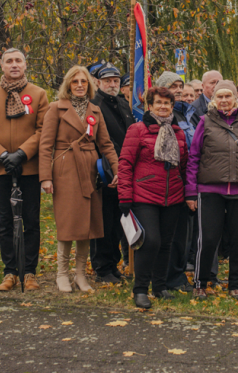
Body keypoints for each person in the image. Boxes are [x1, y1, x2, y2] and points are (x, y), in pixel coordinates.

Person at [186, 81, 238, 300]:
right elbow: (194, 157)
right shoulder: (205, 121)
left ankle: (235, 284)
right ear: (214, 99)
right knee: (208, 239)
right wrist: (191, 191)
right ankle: (200, 283)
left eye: (228, 96)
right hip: (210, 190)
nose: (224, 100)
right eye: (220, 96)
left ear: (235, 98)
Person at [39, 65, 119, 292]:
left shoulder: (95, 110)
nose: (80, 85)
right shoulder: (56, 108)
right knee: (68, 223)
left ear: (89, 85)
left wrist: (117, 169)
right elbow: (45, 145)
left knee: (88, 224)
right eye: (75, 82)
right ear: (68, 85)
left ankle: (81, 275)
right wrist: (45, 177)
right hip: (65, 170)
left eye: (84, 81)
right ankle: (62, 274)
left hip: (91, 171)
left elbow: (106, 144)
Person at [0, 48, 49, 291]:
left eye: (18, 60)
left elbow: (43, 130)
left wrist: (22, 153)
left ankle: (29, 272)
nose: (14, 64)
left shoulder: (38, 94)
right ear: (2, 66)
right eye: (9, 61)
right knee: (5, 221)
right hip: (0, 170)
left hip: (29, 169)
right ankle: (10, 272)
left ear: (25, 65)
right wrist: (3, 155)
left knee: (31, 221)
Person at [117, 87, 189, 308]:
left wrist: (187, 193)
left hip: (173, 196)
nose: (163, 107)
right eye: (159, 102)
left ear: (172, 106)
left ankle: (159, 286)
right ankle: (140, 289)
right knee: (150, 242)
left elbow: (184, 166)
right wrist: (124, 196)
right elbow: (125, 164)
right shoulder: (137, 130)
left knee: (166, 243)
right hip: (144, 195)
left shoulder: (178, 132)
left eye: (167, 103)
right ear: (150, 106)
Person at [154, 72, 200, 291]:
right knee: (169, 234)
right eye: (174, 86)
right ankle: (168, 276)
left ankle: (178, 274)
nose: (179, 90)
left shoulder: (188, 114)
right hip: (168, 180)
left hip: (188, 178)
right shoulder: (163, 117)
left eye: (181, 86)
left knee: (184, 233)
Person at [90, 63, 134, 284]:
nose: (112, 84)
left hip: (124, 169)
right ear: (98, 82)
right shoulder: (94, 105)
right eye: (107, 81)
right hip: (104, 170)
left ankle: (114, 264)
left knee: (117, 221)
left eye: (115, 81)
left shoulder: (123, 103)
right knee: (103, 222)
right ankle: (102, 267)